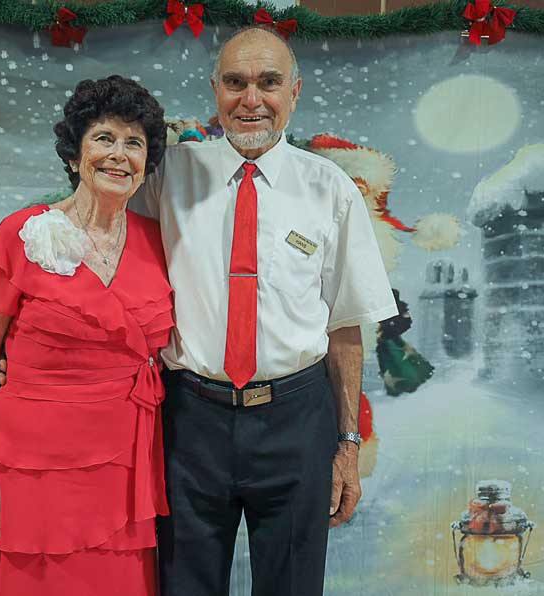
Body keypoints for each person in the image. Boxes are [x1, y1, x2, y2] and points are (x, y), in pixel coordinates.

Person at [140, 27, 398, 596]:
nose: (251, 99)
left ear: (294, 92)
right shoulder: (166, 176)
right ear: (215, 89)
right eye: (235, 82)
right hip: (188, 421)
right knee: (181, 586)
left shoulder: (331, 189)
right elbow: (99, 236)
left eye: (269, 82)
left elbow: (345, 327)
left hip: (296, 419)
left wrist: (348, 443)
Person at [0, 75, 172, 596]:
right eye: (104, 138)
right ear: (75, 156)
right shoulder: (21, 234)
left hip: (126, 469)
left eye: (134, 143)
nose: (119, 155)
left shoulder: (162, 242)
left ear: (146, 163)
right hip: (32, 468)